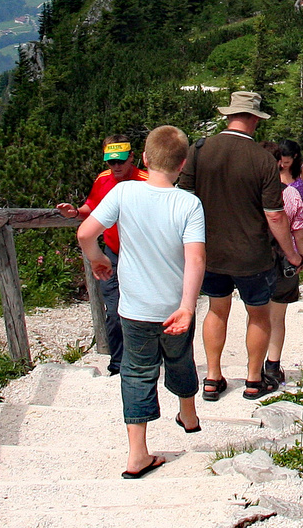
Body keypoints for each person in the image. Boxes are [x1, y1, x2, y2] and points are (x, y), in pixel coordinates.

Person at [76, 125, 205, 478]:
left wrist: (98, 259)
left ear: (145, 159)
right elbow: (196, 259)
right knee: (180, 358)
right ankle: (189, 415)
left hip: (134, 309)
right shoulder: (189, 204)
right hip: (174, 306)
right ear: (182, 165)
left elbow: (85, 232)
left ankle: (137, 455)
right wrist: (188, 306)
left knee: (136, 371)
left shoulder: (124, 193)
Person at [177, 91, 302, 400]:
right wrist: (292, 254)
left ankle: (212, 377)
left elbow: (184, 198)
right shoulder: (262, 159)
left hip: (210, 250)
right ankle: (253, 379)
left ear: (229, 115)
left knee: (216, 311)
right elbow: (274, 216)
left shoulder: (200, 149)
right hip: (252, 253)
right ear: (255, 119)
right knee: (258, 315)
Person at [54, 135, 142, 375]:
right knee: (113, 310)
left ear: (132, 157)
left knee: (143, 310)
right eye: (111, 162)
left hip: (141, 257)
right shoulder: (103, 180)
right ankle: (117, 364)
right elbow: (91, 208)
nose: (116, 167)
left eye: (121, 161)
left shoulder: (146, 181)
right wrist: (74, 213)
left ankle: (147, 360)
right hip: (112, 253)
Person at [269, 139, 303, 383]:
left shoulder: (249, 190)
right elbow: (298, 230)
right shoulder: (289, 195)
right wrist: (299, 257)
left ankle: (253, 367)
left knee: (256, 314)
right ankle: (272, 365)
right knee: (277, 316)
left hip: (256, 256)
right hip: (283, 256)